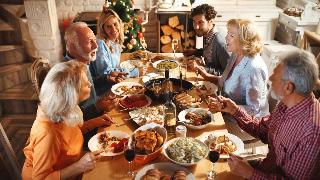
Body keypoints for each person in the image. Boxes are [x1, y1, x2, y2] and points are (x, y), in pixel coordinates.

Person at [208, 50, 320, 179]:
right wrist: (234, 110)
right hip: (264, 168)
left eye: (275, 76)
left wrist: (249, 173)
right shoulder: (286, 104)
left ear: (289, 87)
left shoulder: (312, 132)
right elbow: (262, 131)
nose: (270, 79)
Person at [22, 61, 112, 179]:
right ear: (71, 94)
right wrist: (80, 166)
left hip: (72, 164)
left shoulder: (62, 109)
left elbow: (71, 133)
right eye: (85, 84)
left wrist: (97, 121)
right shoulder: (48, 134)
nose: (90, 84)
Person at [198, 19, 269, 119]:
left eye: (231, 35)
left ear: (244, 40)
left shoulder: (254, 68)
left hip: (246, 124)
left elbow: (253, 109)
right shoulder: (236, 54)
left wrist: (223, 107)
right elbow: (225, 81)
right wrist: (206, 76)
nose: (226, 37)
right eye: (228, 33)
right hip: (227, 113)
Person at [64, 22, 119, 120]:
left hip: (100, 117)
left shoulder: (82, 61)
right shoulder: (66, 75)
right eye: (90, 42)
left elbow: (90, 89)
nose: (96, 46)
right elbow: (67, 120)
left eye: (95, 40)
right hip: (90, 130)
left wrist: (106, 78)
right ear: (72, 46)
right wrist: (97, 107)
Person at [90, 8, 144, 96]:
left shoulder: (114, 40)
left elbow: (114, 68)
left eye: (115, 24)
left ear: (119, 23)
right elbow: (107, 74)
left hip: (114, 85)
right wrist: (134, 72)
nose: (113, 29)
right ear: (102, 28)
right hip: (103, 92)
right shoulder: (100, 44)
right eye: (108, 26)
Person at [184, 4, 230, 75]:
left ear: (210, 22)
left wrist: (202, 67)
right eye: (194, 22)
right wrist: (196, 52)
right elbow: (209, 53)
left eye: (200, 22)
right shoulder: (207, 33)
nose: (196, 27)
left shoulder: (220, 42)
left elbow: (228, 73)